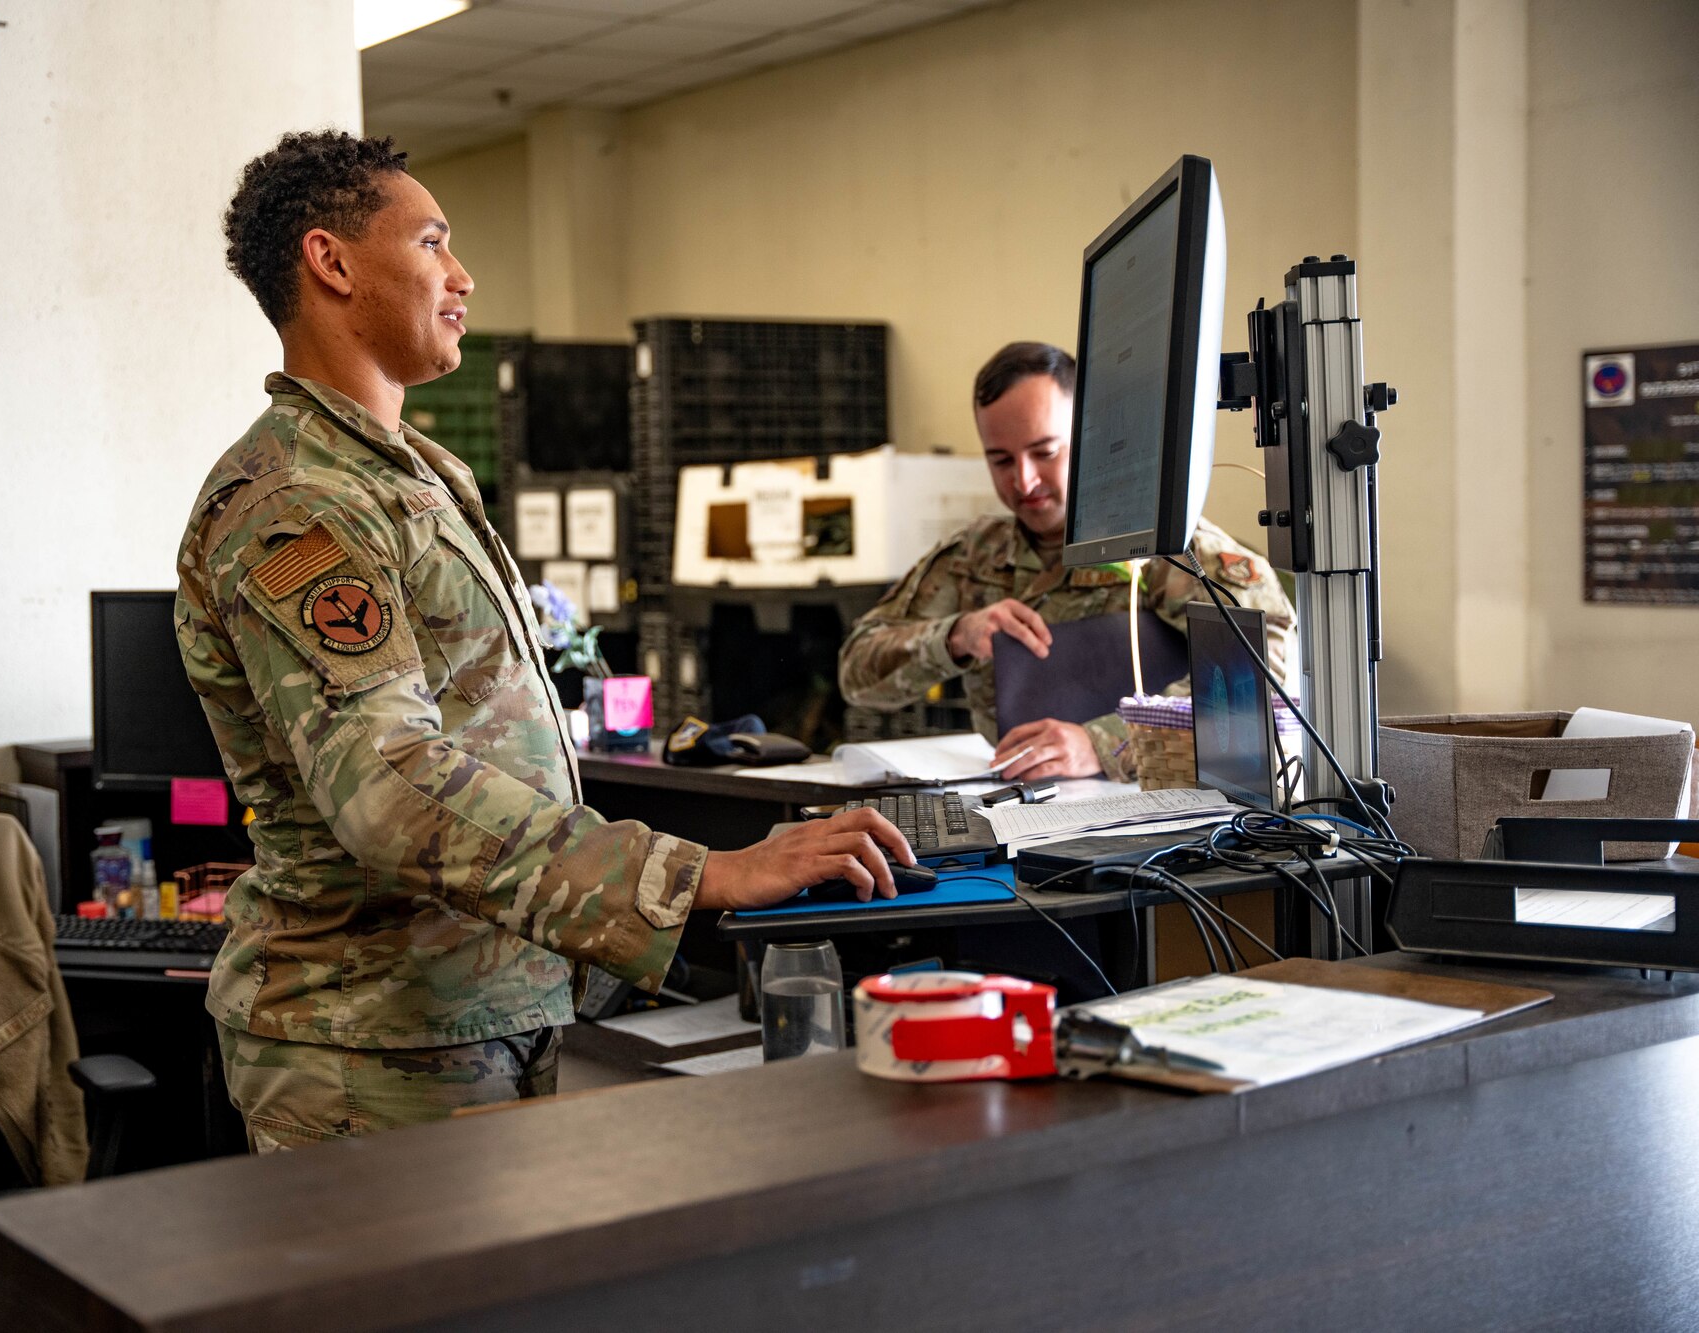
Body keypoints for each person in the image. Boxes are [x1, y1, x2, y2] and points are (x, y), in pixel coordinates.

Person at [175, 131, 912, 1147]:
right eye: (433, 242)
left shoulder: (415, 472)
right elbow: (388, 790)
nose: (462, 276)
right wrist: (696, 874)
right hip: (374, 1044)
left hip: (480, 1009)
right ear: (330, 262)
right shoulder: (297, 501)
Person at [838, 341, 1296, 783]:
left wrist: (1103, 743)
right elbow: (857, 672)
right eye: (1000, 459)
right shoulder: (973, 557)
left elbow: (1261, 676)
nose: (1024, 480)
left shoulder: (1167, 546)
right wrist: (956, 636)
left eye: (1045, 452)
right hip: (1019, 808)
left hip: (1157, 810)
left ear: (1091, 436)